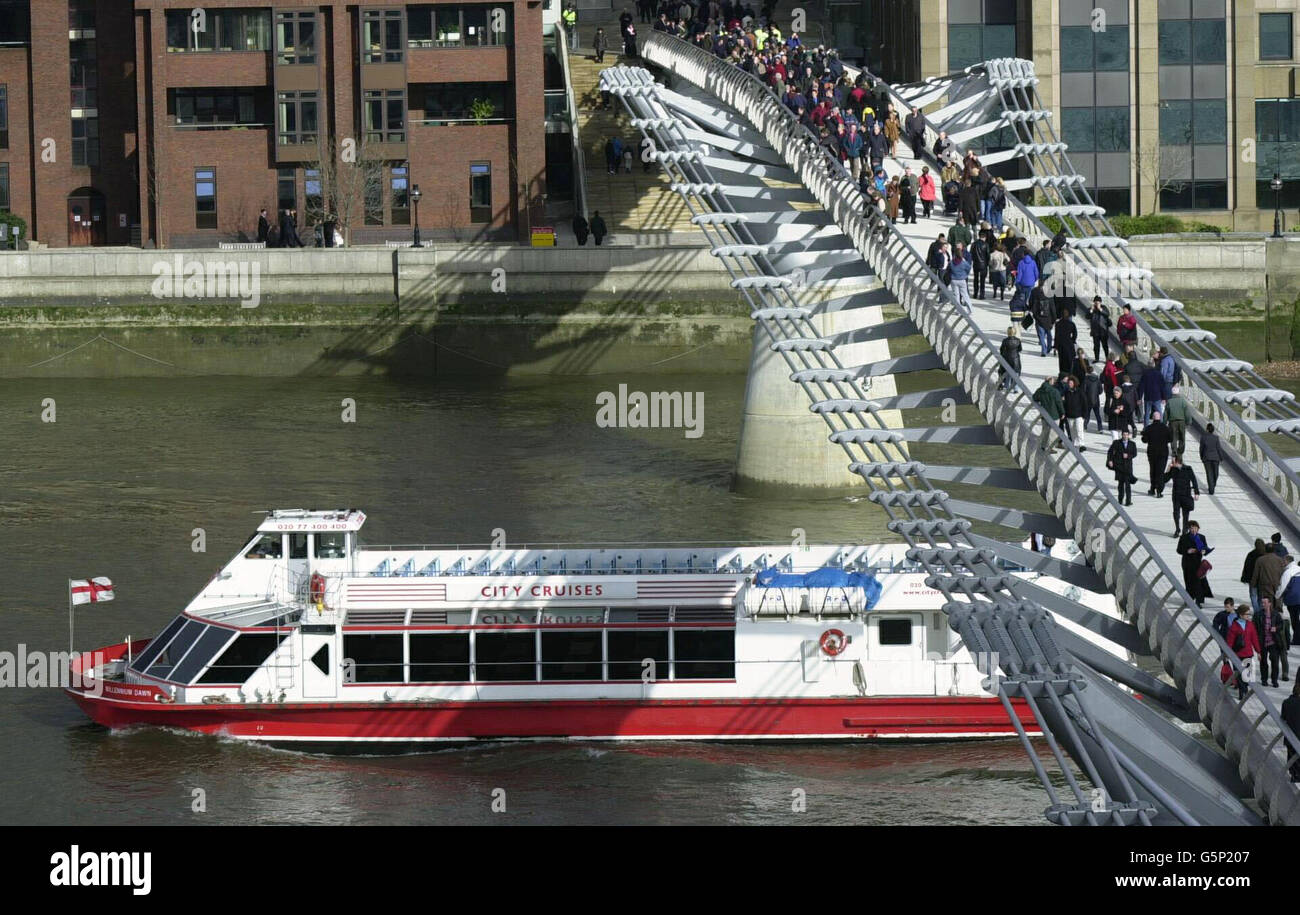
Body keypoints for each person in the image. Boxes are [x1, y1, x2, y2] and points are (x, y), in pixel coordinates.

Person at [1224, 605, 1260, 701]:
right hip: (1238, 655)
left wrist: (1258, 651)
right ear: (1241, 615)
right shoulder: (1234, 626)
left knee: (1247, 675)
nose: (1249, 616)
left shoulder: (1250, 624)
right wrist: (1227, 653)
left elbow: (1254, 639)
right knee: (1239, 674)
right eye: (1247, 614)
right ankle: (1242, 691)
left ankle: (1244, 689)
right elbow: (1230, 641)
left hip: (1248, 653)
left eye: (1249, 614)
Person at [1177, 520, 1213, 607]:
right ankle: (1189, 599)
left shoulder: (1201, 537)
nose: (1193, 530)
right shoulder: (1184, 537)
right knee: (1188, 581)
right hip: (1187, 563)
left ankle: (1198, 601)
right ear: (1189, 529)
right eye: (1192, 528)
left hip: (1198, 563)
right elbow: (1179, 550)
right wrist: (1187, 551)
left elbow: (1205, 548)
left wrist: (1204, 551)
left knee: (1198, 582)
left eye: (1195, 528)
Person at [1163, 454, 1199, 536]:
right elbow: (1164, 480)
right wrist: (1168, 468)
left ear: (1177, 461)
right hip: (1176, 495)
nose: (1171, 462)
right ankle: (1177, 529)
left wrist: (1196, 493)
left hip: (1186, 494)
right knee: (1176, 513)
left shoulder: (1188, 469)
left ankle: (1185, 530)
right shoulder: (1172, 469)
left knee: (1185, 514)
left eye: (1172, 461)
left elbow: (1194, 480)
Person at [1258, 596, 1289, 687]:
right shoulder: (1258, 615)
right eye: (1262, 603)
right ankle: (1264, 679)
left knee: (1275, 662)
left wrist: (1276, 628)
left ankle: (1274, 680)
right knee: (1263, 662)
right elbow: (1255, 628)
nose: (1263, 605)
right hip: (1263, 642)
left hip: (1273, 641)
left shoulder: (1275, 614)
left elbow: (1281, 624)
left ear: (1270, 604)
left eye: (1265, 603)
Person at [1141, 411, 1172, 497]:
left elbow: (1144, 440)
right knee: (1160, 471)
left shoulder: (1149, 428)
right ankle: (1159, 490)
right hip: (1163, 452)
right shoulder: (1165, 428)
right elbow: (1171, 439)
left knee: (1153, 470)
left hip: (1152, 452)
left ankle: (1152, 488)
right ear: (1160, 418)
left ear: (1153, 418)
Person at [1251, 540, 1289, 609]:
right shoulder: (1280, 560)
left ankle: (1268, 617)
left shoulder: (1260, 560)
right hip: (1277, 584)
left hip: (1264, 586)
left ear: (1265, 550)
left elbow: (1256, 574)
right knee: (1278, 603)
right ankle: (1277, 616)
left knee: (1267, 605)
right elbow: (1284, 573)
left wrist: (1253, 584)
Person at [1107, 427, 1138, 505]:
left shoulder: (1132, 444)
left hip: (1128, 467)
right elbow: (1110, 452)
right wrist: (1110, 460)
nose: (1125, 436)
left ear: (1129, 435)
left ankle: (1128, 501)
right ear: (1122, 435)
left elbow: (1134, 454)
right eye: (1124, 435)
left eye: (1127, 435)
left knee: (1128, 485)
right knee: (1120, 484)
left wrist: (1128, 456)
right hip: (1119, 466)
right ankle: (1120, 500)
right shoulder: (1116, 443)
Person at [1010, 247, 1039, 320]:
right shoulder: (1033, 262)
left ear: (1024, 254)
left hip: (1022, 283)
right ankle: (1027, 312)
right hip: (1031, 283)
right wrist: (1034, 280)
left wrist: (1017, 282)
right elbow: (1036, 273)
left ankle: (1022, 312)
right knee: (1028, 298)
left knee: (1022, 298)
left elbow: (1019, 274)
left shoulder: (1021, 262)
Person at [1242, 538, 1267, 614]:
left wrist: (1244, 578)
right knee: (1260, 596)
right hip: (1262, 579)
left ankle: (1257, 612)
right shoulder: (1265, 555)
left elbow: (1247, 566)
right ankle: (1260, 611)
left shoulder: (1251, 554)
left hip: (1252, 579)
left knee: (1253, 596)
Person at [1030, 282, 1055, 358]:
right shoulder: (1050, 297)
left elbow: (1034, 309)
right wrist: (1054, 319)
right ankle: (1049, 347)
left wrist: (1036, 317)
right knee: (1049, 335)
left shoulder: (1037, 297)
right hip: (1048, 319)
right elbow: (1053, 309)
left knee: (1041, 336)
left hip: (1039, 320)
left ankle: (1043, 350)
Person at [1062, 375, 1087, 449]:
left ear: (1074, 383)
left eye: (1071, 383)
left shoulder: (1080, 392)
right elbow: (1065, 403)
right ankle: (1075, 443)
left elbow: (1084, 403)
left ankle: (1081, 444)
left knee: (1079, 429)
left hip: (1079, 415)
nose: (1069, 384)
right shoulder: (1066, 392)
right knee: (1072, 430)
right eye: (1069, 383)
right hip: (1069, 415)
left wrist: (1084, 415)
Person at [1282, 680, 1300, 781]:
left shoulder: (1286, 702)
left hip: (1290, 736)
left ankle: (1293, 775)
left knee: (1291, 756)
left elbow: (1283, 717)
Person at [1199, 421, 1223, 495]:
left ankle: (1212, 485)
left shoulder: (1207, 438)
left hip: (1210, 458)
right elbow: (1219, 449)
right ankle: (1211, 489)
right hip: (1212, 458)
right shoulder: (1211, 438)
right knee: (1214, 473)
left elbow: (1201, 449)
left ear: (1207, 429)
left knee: (1211, 474)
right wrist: (1221, 457)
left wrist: (1202, 457)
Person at [1164, 385, 1189, 456]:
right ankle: (1180, 451)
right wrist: (1188, 421)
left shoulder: (1169, 401)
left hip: (1172, 422)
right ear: (1178, 393)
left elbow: (1166, 413)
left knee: (1173, 436)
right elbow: (1187, 413)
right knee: (1182, 436)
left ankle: (1174, 451)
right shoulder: (1183, 401)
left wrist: (1164, 422)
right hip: (1182, 421)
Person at [948, 243, 972, 310]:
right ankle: (969, 309)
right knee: (965, 294)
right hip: (961, 279)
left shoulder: (952, 262)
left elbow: (949, 269)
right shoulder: (963, 262)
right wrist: (965, 274)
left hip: (954, 279)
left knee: (956, 296)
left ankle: (958, 310)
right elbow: (969, 267)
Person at [1087, 296, 1110, 363]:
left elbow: (1107, 314)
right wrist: (1091, 310)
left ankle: (1107, 359)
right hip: (1095, 331)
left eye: (1098, 302)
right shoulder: (1092, 308)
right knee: (1096, 346)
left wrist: (1100, 309)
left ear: (1100, 302)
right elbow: (1087, 316)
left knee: (1105, 346)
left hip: (1103, 331)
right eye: (1096, 302)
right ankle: (1097, 358)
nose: (1097, 303)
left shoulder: (1104, 307)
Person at [998, 324, 1022, 392]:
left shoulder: (1005, 340)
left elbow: (1001, 349)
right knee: (1016, 374)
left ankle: (1007, 386)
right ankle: (1016, 388)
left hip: (1007, 358)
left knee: (1007, 372)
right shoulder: (1018, 340)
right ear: (1015, 332)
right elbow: (1020, 349)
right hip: (1015, 359)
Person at [1053, 309, 1076, 377]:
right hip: (1069, 344)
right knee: (1069, 360)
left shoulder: (1058, 324)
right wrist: (1072, 340)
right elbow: (1075, 334)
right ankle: (1070, 374)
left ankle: (1062, 374)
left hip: (1061, 345)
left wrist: (1055, 346)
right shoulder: (1071, 324)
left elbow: (1056, 335)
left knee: (1062, 361)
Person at [1082, 363, 1104, 433]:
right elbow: (1100, 390)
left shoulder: (1085, 380)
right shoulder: (1097, 380)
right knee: (1097, 415)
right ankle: (1100, 428)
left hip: (1088, 400)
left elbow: (1083, 391)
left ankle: (1085, 427)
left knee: (1087, 415)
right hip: (1096, 400)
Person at [970, 230, 989, 299]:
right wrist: (987, 263)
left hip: (976, 263)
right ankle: (982, 294)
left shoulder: (974, 244)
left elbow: (971, 253)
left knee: (976, 279)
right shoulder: (986, 244)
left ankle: (975, 293)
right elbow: (988, 255)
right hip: (983, 264)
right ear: (985, 237)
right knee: (982, 280)